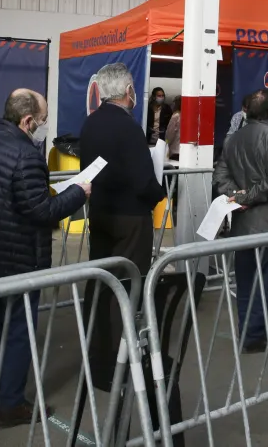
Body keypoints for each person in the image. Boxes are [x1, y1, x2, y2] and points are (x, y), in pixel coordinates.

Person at [0, 89, 90, 428]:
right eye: (43, 120)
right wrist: (78, 192)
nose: (44, 126)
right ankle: (9, 405)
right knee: (18, 332)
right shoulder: (26, 155)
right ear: (28, 120)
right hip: (18, 259)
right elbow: (41, 210)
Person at [79, 63, 166, 383]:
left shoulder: (91, 123)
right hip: (130, 217)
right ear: (129, 91)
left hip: (101, 211)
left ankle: (97, 357)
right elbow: (143, 180)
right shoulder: (129, 127)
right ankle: (117, 366)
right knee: (127, 285)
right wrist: (158, 194)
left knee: (101, 282)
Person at [213, 89, 268, 352]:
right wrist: (245, 196)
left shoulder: (233, 139)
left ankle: (248, 333)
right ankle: (255, 336)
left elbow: (220, 177)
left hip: (243, 223)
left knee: (246, 283)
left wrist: (238, 197)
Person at [165, 94, 182, 161]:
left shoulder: (176, 116)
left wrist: (166, 143)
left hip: (175, 150)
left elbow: (170, 133)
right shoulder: (188, 116)